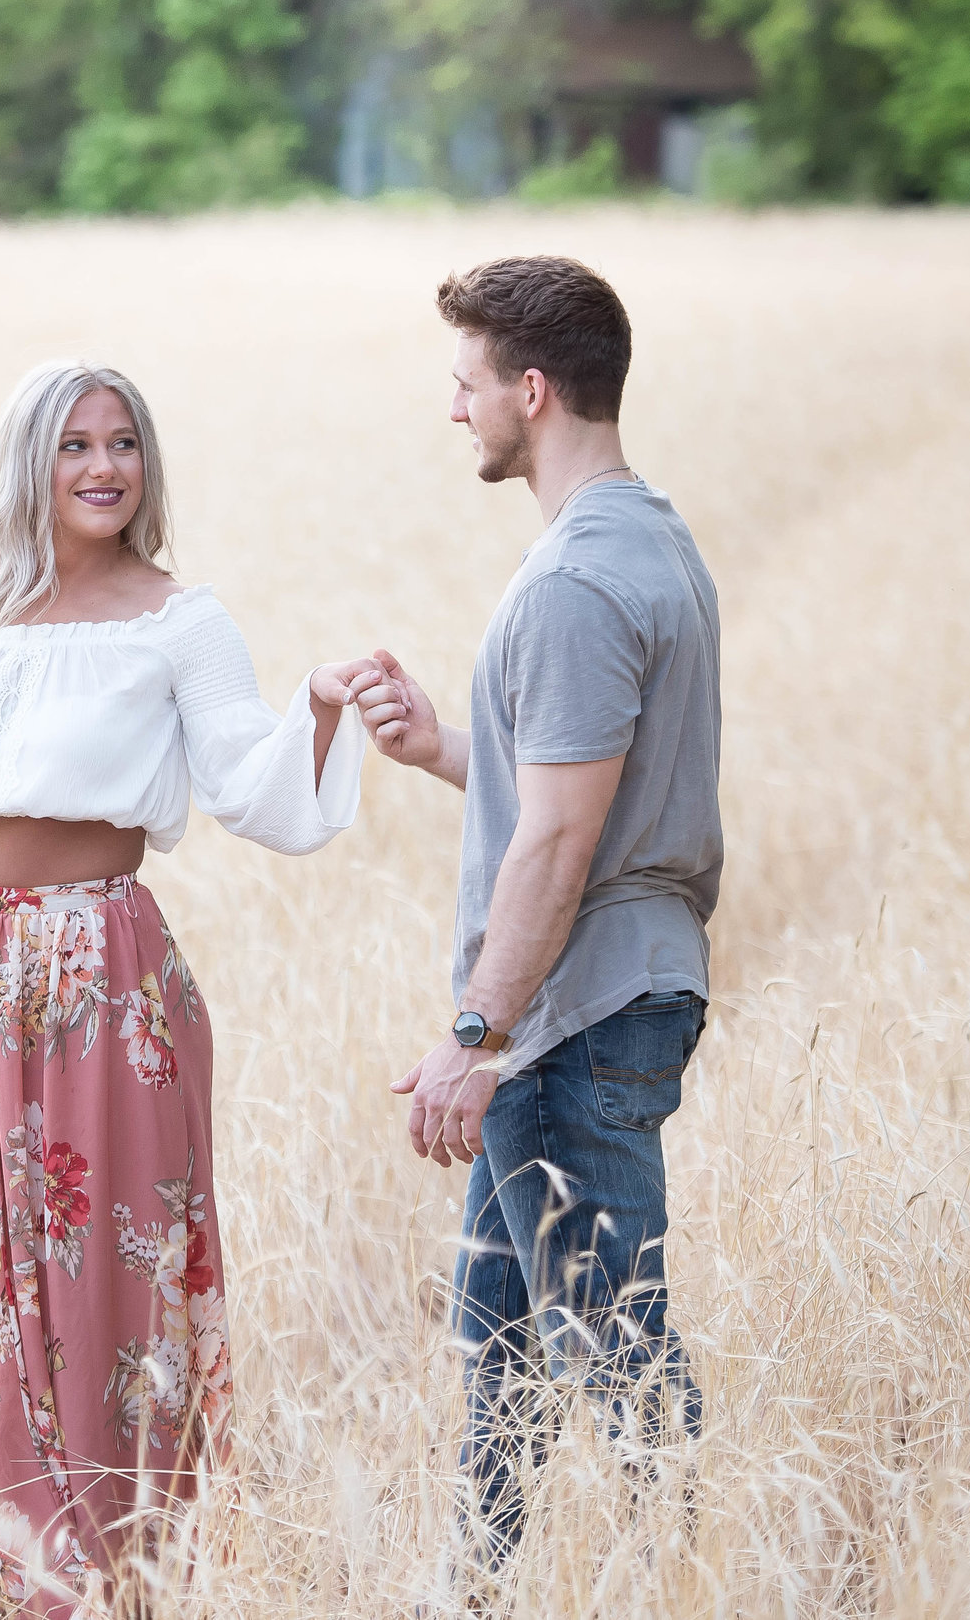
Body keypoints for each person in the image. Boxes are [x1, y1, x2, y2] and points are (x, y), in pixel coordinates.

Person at [0, 361, 369, 1616]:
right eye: (75, 446)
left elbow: (257, 793)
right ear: (29, 465)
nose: (104, 468)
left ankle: (104, 1578)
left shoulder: (178, 622)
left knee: (100, 1285)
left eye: (125, 445)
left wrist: (315, 709)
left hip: (103, 983)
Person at [339, 255, 722, 1572]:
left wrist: (475, 1028)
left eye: (469, 384)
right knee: (498, 1352)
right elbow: (573, 795)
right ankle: (478, 1590)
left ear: (534, 390)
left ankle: (694, 1586)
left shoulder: (569, 587)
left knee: (618, 1356)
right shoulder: (648, 537)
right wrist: (445, 743)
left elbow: (560, 839)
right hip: (604, 994)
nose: (458, 411)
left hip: (577, 1016)